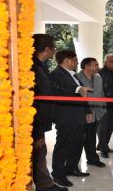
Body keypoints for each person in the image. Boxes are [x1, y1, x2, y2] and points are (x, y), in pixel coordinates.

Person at [50, 50, 93, 187]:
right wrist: (79, 88)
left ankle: (72, 168)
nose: (77, 62)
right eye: (75, 60)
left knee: (77, 143)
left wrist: (87, 110)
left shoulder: (73, 74)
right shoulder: (56, 74)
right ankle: (57, 174)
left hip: (79, 114)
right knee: (63, 145)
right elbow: (67, 88)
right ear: (67, 61)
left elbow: (82, 95)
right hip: (65, 116)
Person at [31, 34, 68, 191]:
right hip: (33, 122)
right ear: (47, 49)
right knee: (38, 154)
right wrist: (38, 130)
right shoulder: (32, 69)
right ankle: (45, 187)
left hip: (39, 121)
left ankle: (45, 184)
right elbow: (33, 101)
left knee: (40, 153)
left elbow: (51, 89)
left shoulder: (41, 66)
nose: (55, 52)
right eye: (54, 48)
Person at [76, 57, 106, 168]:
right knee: (79, 139)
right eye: (95, 64)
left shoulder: (98, 78)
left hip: (97, 113)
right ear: (87, 66)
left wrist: (103, 109)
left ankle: (92, 159)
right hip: (82, 114)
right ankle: (73, 163)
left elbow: (102, 94)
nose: (98, 66)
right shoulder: (76, 78)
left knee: (91, 137)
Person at [98, 53, 113, 158]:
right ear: (105, 62)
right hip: (104, 105)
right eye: (112, 61)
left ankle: (103, 145)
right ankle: (103, 149)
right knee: (103, 128)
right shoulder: (99, 73)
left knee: (111, 127)